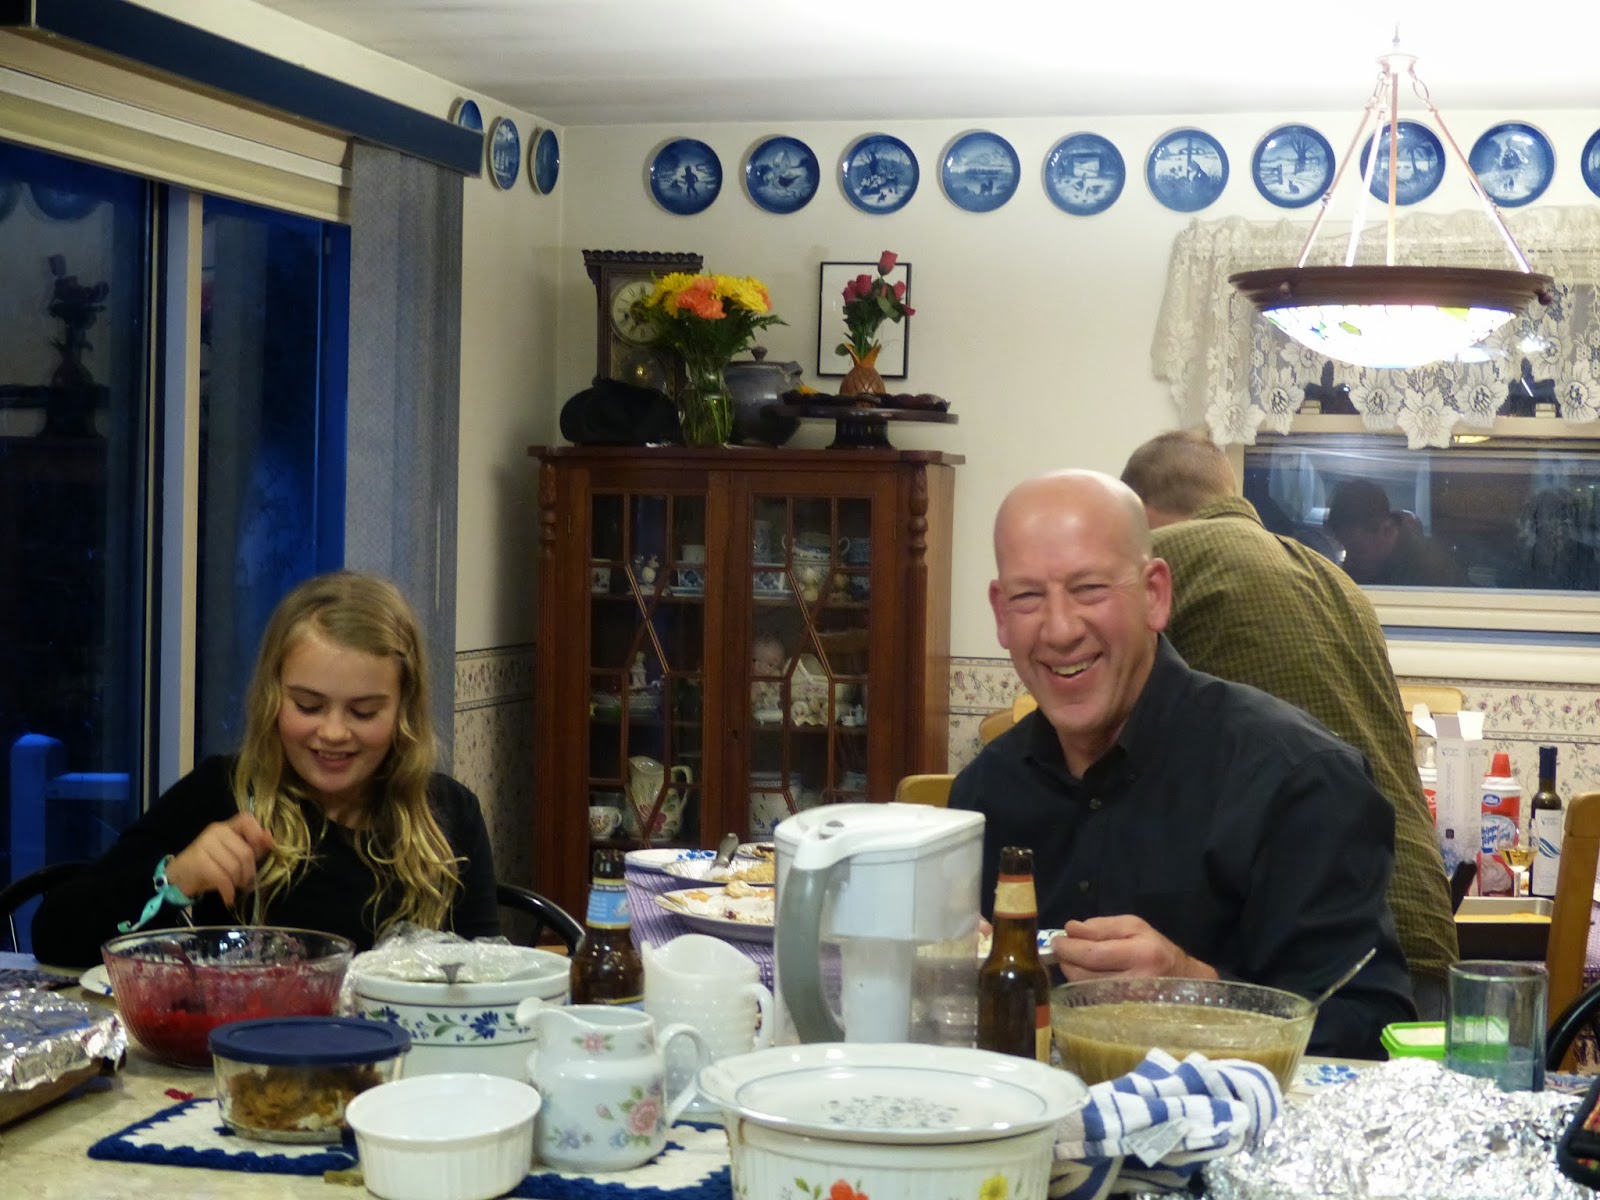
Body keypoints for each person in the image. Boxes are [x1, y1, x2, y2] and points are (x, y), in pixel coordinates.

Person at [949, 470, 1416, 1059]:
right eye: (1027, 597)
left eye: (1089, 589)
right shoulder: (982, 795)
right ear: (1000, 613)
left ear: (1155, 595)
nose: (1060, 630)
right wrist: (945, 983)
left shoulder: (1298, 779)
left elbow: (1373, 1030)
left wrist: (1194, 992)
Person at [1121, 430, 1458, 1017]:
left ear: (1143, 515)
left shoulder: (1162, 560)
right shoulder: (1335, 580)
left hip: (1309, 948)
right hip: (1419, 921)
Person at [33, 571, 500, 966]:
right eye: (308, 705)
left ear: (403, 711)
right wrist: (173, 880)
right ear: (272, 698)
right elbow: (55, 934)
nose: (333, 732)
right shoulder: (223, 793)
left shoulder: (449, 817)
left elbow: (488, 978)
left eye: (363, 712)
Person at [1325, 478, 1466, 587]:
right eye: (1346, 549)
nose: (1350, 560)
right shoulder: (1366, 563)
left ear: (1387, 530)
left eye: (1358, 550)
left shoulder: (1431, 573)